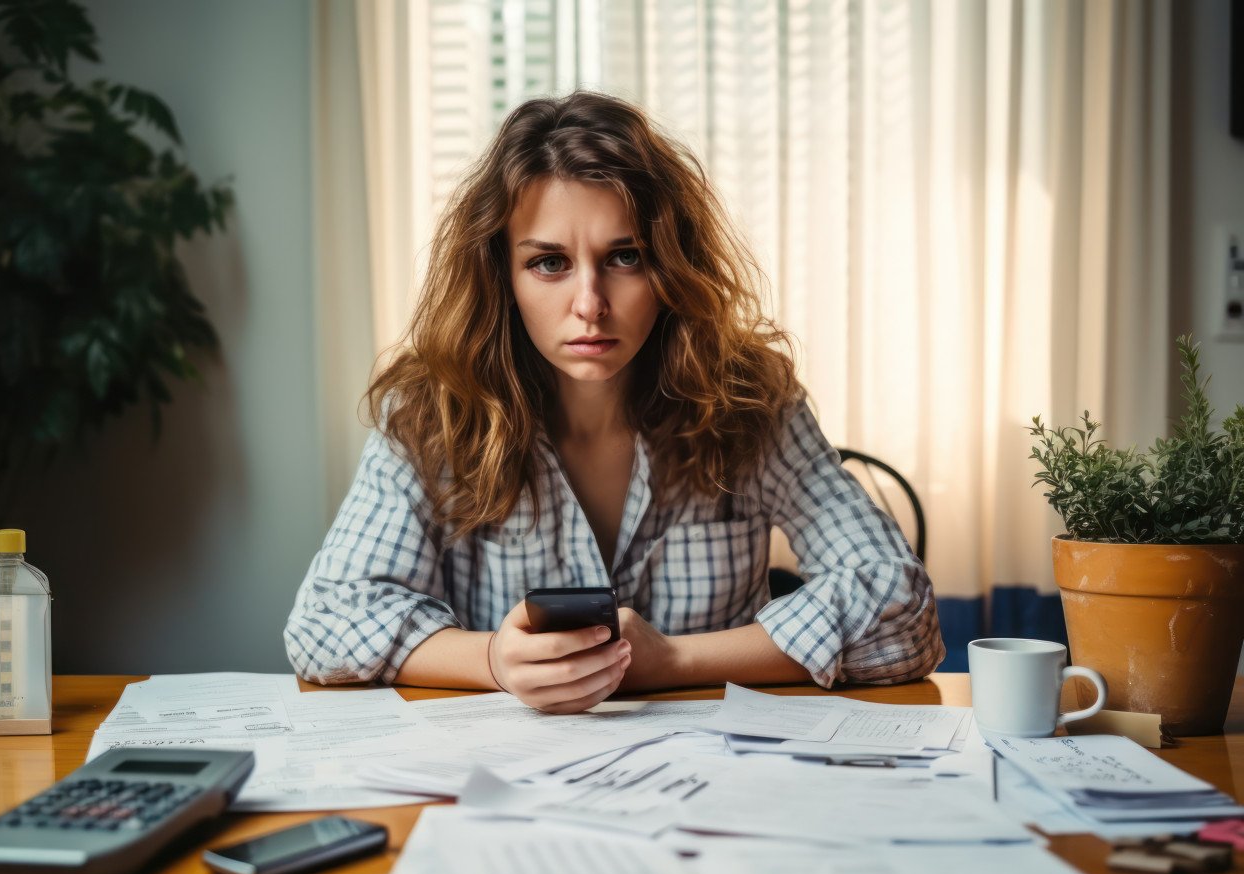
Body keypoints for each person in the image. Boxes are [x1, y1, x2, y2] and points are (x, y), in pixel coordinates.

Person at [285, 91, 944, 713]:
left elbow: (904, 612)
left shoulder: (752, 401)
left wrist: (673, 661)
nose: (590, 304)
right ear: (501, 276)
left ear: (671, 266)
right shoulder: (431, 413)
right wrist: (494, 661)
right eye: (549, 263)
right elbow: (323, 622)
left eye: (625, 257)